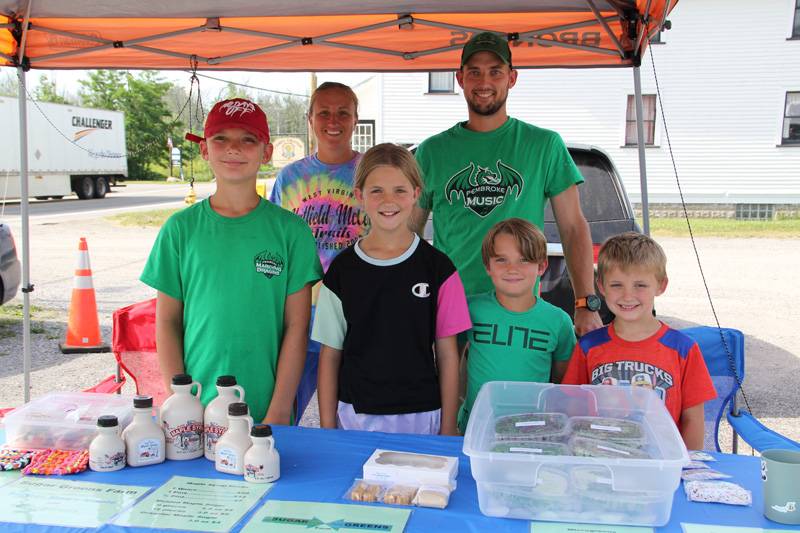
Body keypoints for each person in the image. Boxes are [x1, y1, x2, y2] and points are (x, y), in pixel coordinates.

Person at [141, 98, 323, 424]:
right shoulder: (180, 230)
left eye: (248, 139)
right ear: (205, 150)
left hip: (267, 407)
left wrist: (280, 407)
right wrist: (179, 399)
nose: (234, 149)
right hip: (196, 406)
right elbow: (167, 322)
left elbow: (296, 327)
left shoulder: (291, 231)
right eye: (221, 138)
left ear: (266, 152)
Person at [413, 31, 603, 336]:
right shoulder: (433, 151)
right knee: (453, 385)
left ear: (511, 78)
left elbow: (572, 227)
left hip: (520, 313)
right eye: (474, 72)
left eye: (495, 72)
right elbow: (409, 233)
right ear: (460, 78)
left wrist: (585, 303)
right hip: (452, 310)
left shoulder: (543, 145)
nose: (484, 82)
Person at [311, 143, 471, 435]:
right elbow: (330, 353)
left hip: (422, 414)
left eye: (399, 190)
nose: (389, 200)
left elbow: (448, 355)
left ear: (416, 194)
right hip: (356, 415)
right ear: (359, 195)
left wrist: (448, 426)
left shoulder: (439, 269)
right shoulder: (342, 271)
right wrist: (326, 429)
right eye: (377, 191)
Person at [561, 232, 716, 450]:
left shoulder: (683, 348)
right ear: (602, 287)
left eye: (640, 285)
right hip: (601, 458)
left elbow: (693, 419)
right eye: (616, 285)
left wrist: (688, 468)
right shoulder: (589, 346)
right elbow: (573, 408)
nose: (627, 295)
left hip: (661, 463)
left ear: (661, 285)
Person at [269, 82, 369, 420]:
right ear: (310, 118)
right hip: (301, 314)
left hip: (356, 312)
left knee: (349, 412)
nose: (333, 120)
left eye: (343, 112)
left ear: (356, 119)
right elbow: (274, 245)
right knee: (287, 409)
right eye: (324, 112)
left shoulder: (371, 172)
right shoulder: (290, 177)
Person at [458, 218, 576, 433]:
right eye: (501, 260)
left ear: (541, 266)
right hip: (476, 427)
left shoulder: (558, 321)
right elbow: (450, 363)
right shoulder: (470, 309)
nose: (512, 269)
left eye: (524, 260)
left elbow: (562, 383)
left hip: (531, 431)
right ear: (488, 266)